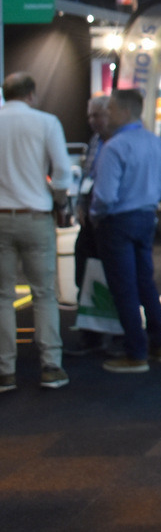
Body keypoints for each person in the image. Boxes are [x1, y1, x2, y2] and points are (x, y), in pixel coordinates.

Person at [90, 88, 161, 374]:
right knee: (145, 282)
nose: (106, 114)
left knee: (124, 288)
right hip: (145, 219)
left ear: (124, 111)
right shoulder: (156, 142)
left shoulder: (114, 147)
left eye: (109, 109)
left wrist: (95, 215)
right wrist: (155, 197)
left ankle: (136, 354)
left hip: (117, 222)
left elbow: (105, 196)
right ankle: (159, 345)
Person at [0, 72, 74, 391]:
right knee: (43, 293)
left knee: (2, 296)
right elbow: (62, 170)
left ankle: (5, 370)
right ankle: (51, 365)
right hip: (36, 216)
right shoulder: (46, 122)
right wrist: (60, 200)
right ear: (31, 94)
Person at [67, 93, 113, 356]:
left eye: (97, 115)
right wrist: (81, 207)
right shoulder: (96, 140)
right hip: (90, 221)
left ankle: (116, 336)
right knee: (83, 273)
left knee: (115, 278)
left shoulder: (117, 143)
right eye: (89, 115)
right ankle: (90, 334)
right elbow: (87, 177)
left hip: (110, 221)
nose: (92, 120)